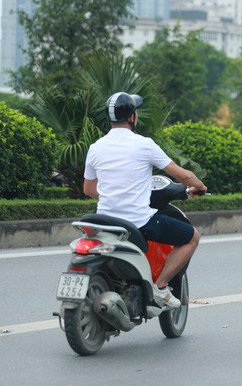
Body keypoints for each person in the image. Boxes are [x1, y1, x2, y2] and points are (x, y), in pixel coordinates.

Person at [83, 92, 207, 308]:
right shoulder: (144, 144)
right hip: (139, 222)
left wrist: (114, 197)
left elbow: (89, 189)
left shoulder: (95, 148)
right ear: (132, 117)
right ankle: (159, 287)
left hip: (103, 222)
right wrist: (199, 186)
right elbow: (182, 175)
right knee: (192, 237)